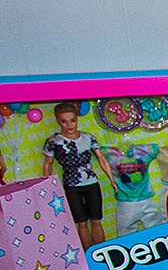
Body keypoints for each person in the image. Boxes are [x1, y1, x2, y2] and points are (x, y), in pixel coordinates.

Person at [43, 100, 116, 246]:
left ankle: (102, 251)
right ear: (58, 122)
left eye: (72, 120)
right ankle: (88, 255)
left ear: (77, 119)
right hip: (72, 186)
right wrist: (47, 186)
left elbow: (101, 158)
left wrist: (112, 179)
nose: (69, 125)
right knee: (81, 223)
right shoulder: (54, 141)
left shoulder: (88, 138)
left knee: (96, 220)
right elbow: (47, 164)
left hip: (91, 184)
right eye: (64, 121)